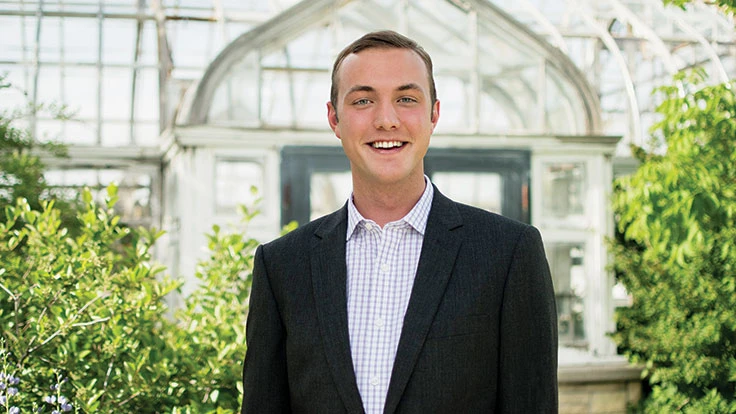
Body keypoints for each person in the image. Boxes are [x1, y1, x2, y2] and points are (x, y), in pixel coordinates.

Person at [241, 30, 558, 413]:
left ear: (434, 115)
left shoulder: (508, 254)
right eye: (363, 100)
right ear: (334, 118)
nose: (386, 120)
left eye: (406, 99)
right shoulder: (282, 266)